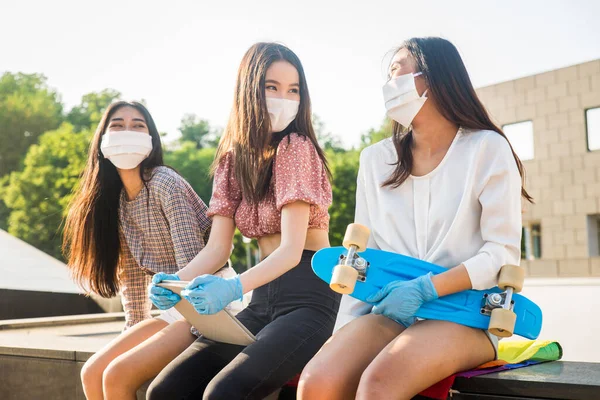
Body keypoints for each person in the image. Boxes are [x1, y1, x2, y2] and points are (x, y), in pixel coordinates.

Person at [298, 37, 532, 400]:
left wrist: (425, 289)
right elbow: (363, 256)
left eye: (399, 71)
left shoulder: (486, 148)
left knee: (380, 383)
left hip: (464, 313)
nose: (391, 84)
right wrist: (343, 335)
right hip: (390, 309)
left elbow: (501, 253)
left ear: (434, 78)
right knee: (318, 382)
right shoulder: (375, 160)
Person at [146, 42, 340, 400]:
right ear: (249, 89)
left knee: (224, 393)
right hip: (262, 298)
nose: (284, 98)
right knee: (166, 390)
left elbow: (291, 250)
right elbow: (218, 248)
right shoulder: (233, 159)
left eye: (293, 90)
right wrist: (176, 282)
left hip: (308, 295)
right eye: (272, 87)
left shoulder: (296, 146)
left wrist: (232, 289)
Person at [63, 101, 237, 400]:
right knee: (91, 372)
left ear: (151, 140)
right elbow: (131, 276)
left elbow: (195, 264)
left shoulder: (165, 184)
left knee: (117, 376)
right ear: (102, 140)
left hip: (206, 305)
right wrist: (132, 330)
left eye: (138, 125)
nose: (127, 131)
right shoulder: (115, 202)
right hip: (172, 309)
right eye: (117, 125)